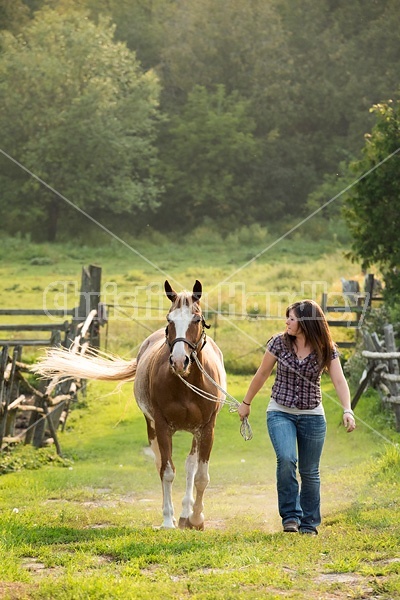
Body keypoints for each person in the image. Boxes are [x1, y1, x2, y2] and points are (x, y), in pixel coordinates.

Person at [238, 300, 356, 536]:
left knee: (310, 471)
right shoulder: (279, 343)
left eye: (291, 318)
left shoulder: (326, 347)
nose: (287, 322)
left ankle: (309, 523)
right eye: (287, 318)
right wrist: (246, 403)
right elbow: (262, 373)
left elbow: (339, 379)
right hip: (280, 411)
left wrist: (347, 409)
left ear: (305, 321)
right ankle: (291, 517)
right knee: (287, 458)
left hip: (312, 415)